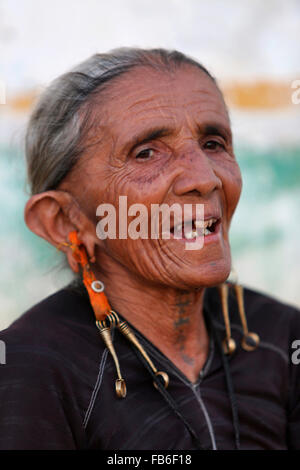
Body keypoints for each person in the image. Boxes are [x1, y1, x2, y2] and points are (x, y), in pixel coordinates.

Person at [0, 48, 299, 450]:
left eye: (213, 143)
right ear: (66, 221)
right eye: (146, 153)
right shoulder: (29, 370)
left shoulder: (281, 337)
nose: (205, 177)